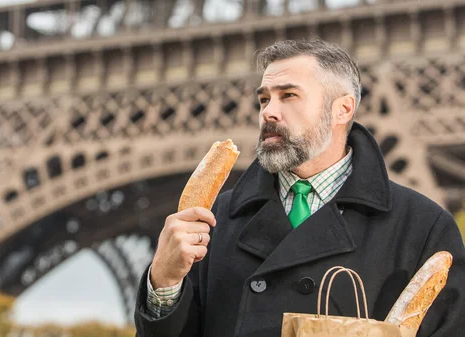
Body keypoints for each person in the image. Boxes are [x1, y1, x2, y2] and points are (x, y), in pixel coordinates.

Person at [133, 38, 465, 337]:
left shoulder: (422, 226)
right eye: (264, 100)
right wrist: (164, 284)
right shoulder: (212, 219)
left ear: (343, 109)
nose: (269, 112)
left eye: (288, 95)